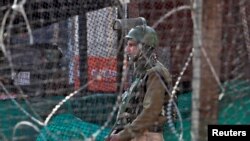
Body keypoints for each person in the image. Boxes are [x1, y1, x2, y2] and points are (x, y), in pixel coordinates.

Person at [106, 24, 174, 141]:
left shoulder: (154, 73)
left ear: (144, 47)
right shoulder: (142, 73)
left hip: (147, 136)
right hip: (138, 134)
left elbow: (150, 113)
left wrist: (122, 136)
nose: (127, 50)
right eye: (127, 45)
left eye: (131, 45)